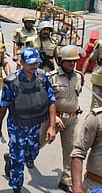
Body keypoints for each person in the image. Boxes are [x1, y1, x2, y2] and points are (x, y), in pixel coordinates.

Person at [0, 47, 57, 193]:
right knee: (19, 159)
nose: (34, 67)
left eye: (36, 63)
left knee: (32, 153)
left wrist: (51, 126)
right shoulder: (11, 82)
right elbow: (3, 106)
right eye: (30, 63)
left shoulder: (43, 78)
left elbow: (51, 101)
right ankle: (16, 187)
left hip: (35, 123)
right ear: (22, 62)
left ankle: (11, 157)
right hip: (17, 124)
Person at [37, 45, 84, 193]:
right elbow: (42, 101)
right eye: (69, 61)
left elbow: (77, 95)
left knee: (71, 150)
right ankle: (16, 159)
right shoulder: (51, 77)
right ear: (60, 61)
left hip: (71, 119)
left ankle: (66, 180)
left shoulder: (79, 76)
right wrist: (55, 117)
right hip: (51, 119)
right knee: (37, 144)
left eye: (74, 61)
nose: (72, 64)